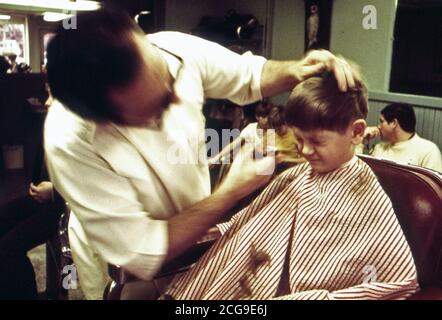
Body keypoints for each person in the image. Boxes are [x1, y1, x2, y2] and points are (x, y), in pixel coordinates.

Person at [43, 7, 358, 295]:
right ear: (107, 118)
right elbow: (143, 250)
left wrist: (296, 70)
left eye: (167, 80)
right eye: (157, 107)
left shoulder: (171, 49)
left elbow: (250, 75)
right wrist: (230, 192)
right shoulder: (70, 141)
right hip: (132, 269)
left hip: (201, 250)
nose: (176, 99)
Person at [163, 69, 418, 300]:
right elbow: (246, 224)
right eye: (299, 139)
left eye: (317, 141)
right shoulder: (296, 176)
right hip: (253, 283)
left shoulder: (365, 193)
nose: (305, 150)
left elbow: (400, 281)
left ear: (356, 132)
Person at [0, 92, 65, 299]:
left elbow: (90, 185)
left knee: (8, 250)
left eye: (52, 96)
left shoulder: (87, 126)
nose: (46, 102)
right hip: (52, 199)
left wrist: (53, 191)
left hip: (68, 210)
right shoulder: (57, 124)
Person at [364, 103, 442, 172]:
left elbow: (434, 186)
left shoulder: (428, 151)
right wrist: (361, 140)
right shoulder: (379, 148)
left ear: (394, 123)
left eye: (382, 121)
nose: (379, 126)